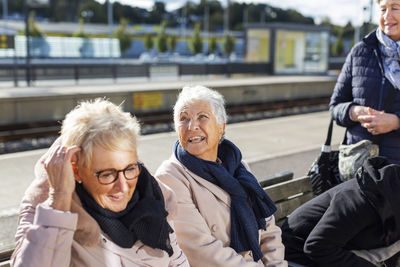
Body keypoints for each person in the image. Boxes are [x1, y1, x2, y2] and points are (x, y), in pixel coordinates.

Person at [11, 99, 189, 267]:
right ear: (76, 170)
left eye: (129, 168)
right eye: (107, 174)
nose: (123, 187)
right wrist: (59, 199)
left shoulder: (152, 195)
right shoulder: (44, 207)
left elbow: (178, 261)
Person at [155, 85, 287, 267]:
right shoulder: (170, 176)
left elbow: (268, 228)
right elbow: (201, 251)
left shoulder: (239, 167)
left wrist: (277, 264)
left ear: (221, 127)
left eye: (202, 117)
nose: (192, 126)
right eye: (184, 119)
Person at [281, 156, 400, 267]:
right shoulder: (358, 201)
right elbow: (317, 246)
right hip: (296, 254)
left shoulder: (392, 199)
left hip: (334, 250)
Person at [329, 0, 400, 165]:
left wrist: (396, 122)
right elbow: (335, 107)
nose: (387, 16)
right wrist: (354, 112)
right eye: (382, 9)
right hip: (359, 168)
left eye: (395, 8)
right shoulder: (360, 51)